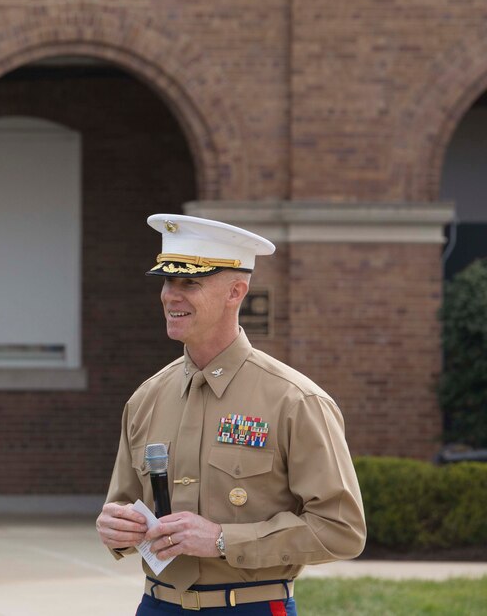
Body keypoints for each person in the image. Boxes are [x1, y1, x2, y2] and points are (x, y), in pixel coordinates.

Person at [96, 214, 366, 614]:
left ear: (236, 291)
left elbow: (342, 530)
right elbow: (123, 506)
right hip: (156, 606)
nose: (171, 295)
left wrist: (223, 540)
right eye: (168, 281)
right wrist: (115, 528)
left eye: (191, 282)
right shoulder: (146, 398)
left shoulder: (295, 401)